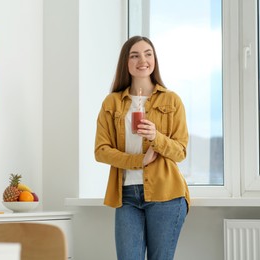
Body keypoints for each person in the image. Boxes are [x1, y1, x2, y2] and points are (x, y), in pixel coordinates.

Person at [94, 36, 190, 260]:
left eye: (148, 54)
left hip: (166, 195)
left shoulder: (172, 100)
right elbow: (101, 150)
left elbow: (181, 151)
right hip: (126, 195)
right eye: (134, 55)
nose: (142, 60)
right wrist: (138, 161)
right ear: (126, 63)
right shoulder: (112, 103)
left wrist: (156, 136)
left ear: (154, 60)